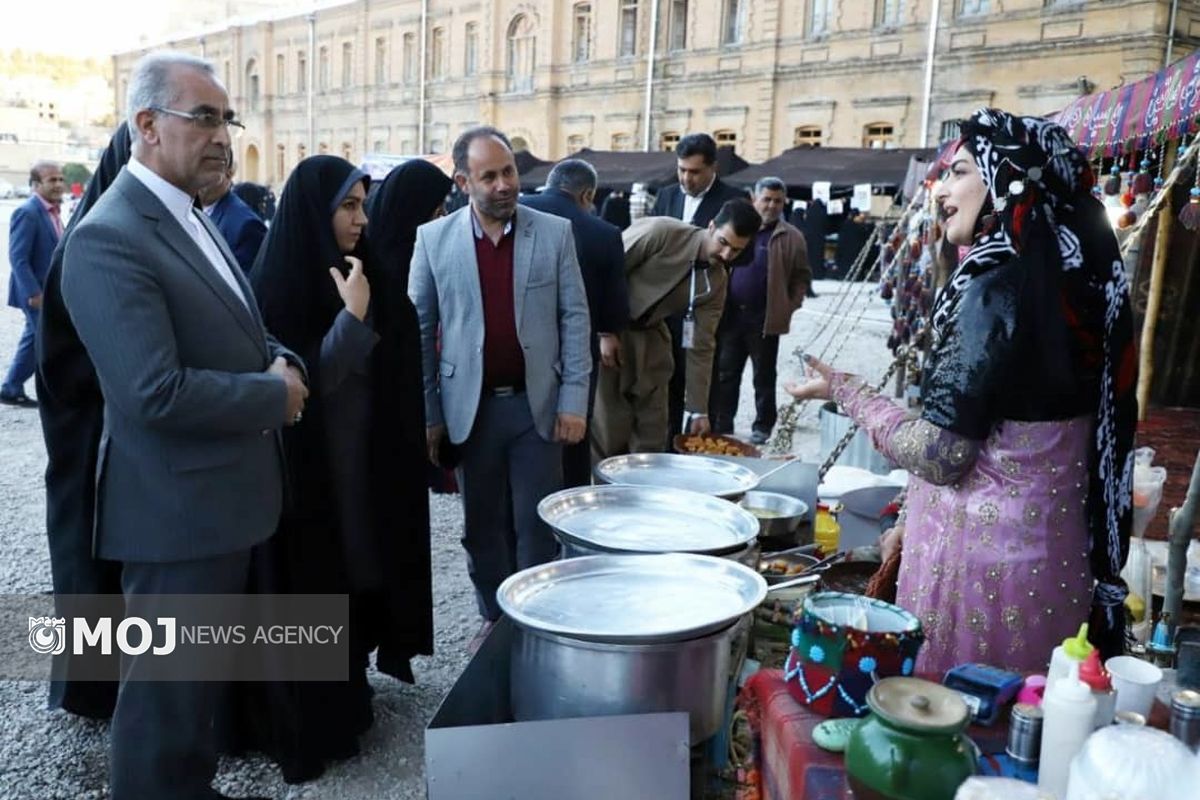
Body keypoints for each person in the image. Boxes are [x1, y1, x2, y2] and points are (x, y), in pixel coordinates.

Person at [786, 108, 1137, 673]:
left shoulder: (994, 287)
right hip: (1054, 567)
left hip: (979, 577)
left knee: (960, 731)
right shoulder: (1078, 283)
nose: (941, 188)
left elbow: (943, 454)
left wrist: (848, 391)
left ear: (1003, 182)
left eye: (960, 172)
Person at [61, 51, 308, 800]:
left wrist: (281, 360)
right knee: (164, 709)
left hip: (218, 507)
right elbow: (152, 392)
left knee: (194, 698)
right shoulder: (111, 237)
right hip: (175, 519)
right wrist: (276, 397)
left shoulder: (188, 214)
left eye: (225, 119)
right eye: (203, 118)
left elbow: (240, 328)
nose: (221, 136)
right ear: (145, 125)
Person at [238, 154, 434, 781]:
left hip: (364, 460)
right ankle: (316, 713)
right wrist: (352, 319)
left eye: (363, 205)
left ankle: (348, 691)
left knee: (358, 571)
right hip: (313, 466)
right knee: (319, 575)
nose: (360, 219)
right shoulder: (280, 281)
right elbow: (300, 383)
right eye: (348, 207)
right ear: (316, 213)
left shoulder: (365, 268)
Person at [409, 126, 590, 648]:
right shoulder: (434, 240)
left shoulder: (552, 233)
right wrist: (429, 414)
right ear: (464, 181)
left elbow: (575, 319)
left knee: (536, 522)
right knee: (481, 524)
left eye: (508, 171)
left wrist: (574, 399)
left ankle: (534, 621)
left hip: (536, 409)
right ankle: (493, 615)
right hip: (471, 411)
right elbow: (420, 329)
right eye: (489, 176)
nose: (504, 184)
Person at [35, 124, 131, 721]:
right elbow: (68, 361)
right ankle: (86, 692)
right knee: (86, 564)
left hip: (99, 436)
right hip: (86, 439)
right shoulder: (91, 244)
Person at [593, 199, 760, 458]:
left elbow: (702, 345)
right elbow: (603, 271)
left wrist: (697, 409)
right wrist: (604, 331)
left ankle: (645, 492)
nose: (726, 255)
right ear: (712, 226)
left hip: (653, 339)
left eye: (737, 251)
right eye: (724, 243)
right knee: (609, 430)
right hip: (611, 333)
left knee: (653, 433)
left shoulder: (716, 281)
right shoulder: (661, 232)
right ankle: (604, 492)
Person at [521, 159, 629, 487]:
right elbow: (614, 301)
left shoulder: (517, 211)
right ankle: (570, 502)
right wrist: (609, 332)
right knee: (574, 431)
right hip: (577, 350)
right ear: (587, 194)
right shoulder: (604, 233)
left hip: (521, 343)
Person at [649, 133, 749, 446]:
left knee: (704, 389)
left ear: (712, 169)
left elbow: (744, 255)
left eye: (694, 172)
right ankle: (665, 447)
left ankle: (698, 447)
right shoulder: (666, 195)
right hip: (665, 314)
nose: (686, 178)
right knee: (663, 390)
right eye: (681, 170)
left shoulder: (734, 201)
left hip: (707, 311)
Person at [711, 177, 810, 444]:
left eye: (778, 201)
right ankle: (722, 423)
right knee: (725, 373)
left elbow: (801, 277)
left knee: (763, 376)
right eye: (766, 199)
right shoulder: (739, 228)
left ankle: (763, 426)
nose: (772, 205)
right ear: (754, 199)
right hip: (730, 315)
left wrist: (789, 307)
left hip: (764, 319)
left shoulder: (791, 236)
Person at [4, 160, 66, 406]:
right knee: (48, 342)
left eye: (60, 179)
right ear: (35, 184)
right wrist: (33, 292)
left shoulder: (53, 211)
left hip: (49, 292)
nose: (59, 184)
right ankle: (56, 393)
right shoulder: (28, 212)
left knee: (34, 340)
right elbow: (18, 258)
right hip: (36, 294)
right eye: (52, 180)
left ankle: (10, 387)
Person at [200, 153, 267, 272]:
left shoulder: (245, 225)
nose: (197, 178)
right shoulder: (195, 212)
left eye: (206, 171)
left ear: (229, 173)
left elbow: (247, 286)